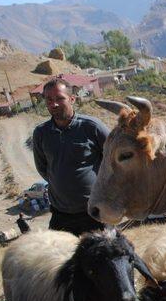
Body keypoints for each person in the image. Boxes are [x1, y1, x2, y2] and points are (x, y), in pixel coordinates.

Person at [32, 78, 110, 236]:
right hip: (61, 214)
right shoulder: (41, 133)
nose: (54, 104)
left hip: (94, 211)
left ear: (72, 99)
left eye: (60, 98)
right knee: (60, 259)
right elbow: (43, 168)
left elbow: (113, 161)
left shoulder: (92, 127)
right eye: (49, 100)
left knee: (101, 257)